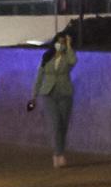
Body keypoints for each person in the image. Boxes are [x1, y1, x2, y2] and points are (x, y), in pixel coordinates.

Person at [27, 32, 79, 168]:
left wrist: (68, 46)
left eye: (63, 42)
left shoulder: (67, 56)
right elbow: (39, 75)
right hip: (48, 93)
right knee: (55, 124)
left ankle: (60, 151)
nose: (60, 44)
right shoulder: (47, 56)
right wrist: (34, 94)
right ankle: (58, 154)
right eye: (59, 41)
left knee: (63, 125)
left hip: (65, 93)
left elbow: (73, 61)